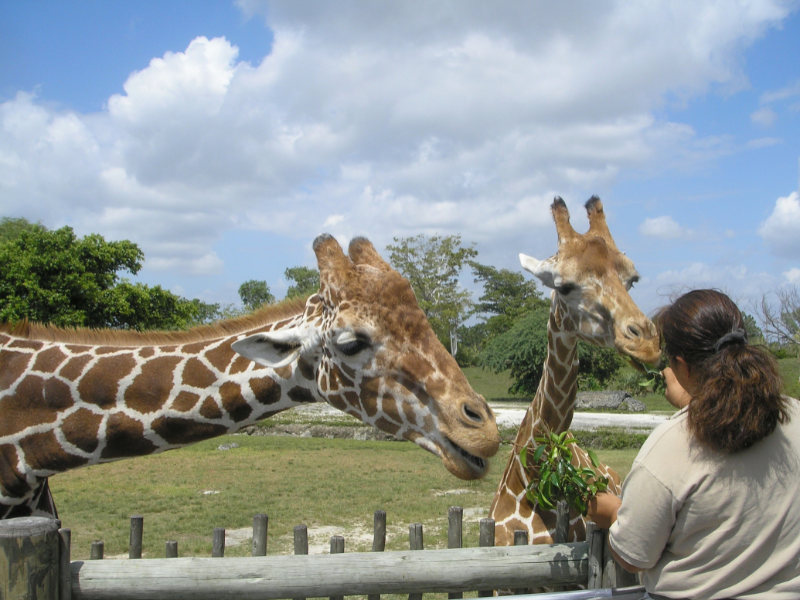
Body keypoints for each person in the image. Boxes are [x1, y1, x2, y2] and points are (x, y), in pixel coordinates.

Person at [587, 289, 800, 599]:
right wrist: (690, 402)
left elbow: (632, 556)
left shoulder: (670, 447)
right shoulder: (792, 413)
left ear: (682, 366)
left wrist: (613, 513)